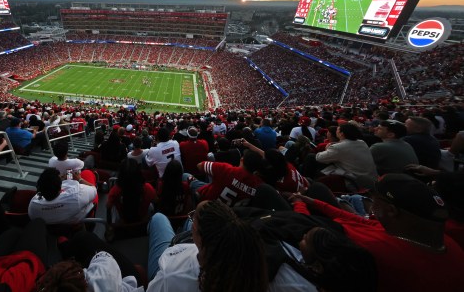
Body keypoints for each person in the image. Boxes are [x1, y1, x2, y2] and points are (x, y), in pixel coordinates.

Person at [290, 173, 464, 291]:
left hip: (322, 239)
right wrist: (314, 203)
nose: (371, 200)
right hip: (335, 228)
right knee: (319, 190)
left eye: (374, 198)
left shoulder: (369, 249)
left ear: (391, 210)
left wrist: (299, 204)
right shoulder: (440, 239)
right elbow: (363, 221)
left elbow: (307, 230)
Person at [147, 200, 269, 292]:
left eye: (193, 219)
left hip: (164, 269)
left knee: (159, 218)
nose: (192, 222)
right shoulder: (248, 271)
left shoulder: (170, 277)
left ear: (200, 239)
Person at [188, 149, 263, 206]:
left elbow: (200, 166)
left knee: (186, 176)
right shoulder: (258, 185)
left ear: (242, 159)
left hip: (206, 204)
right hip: (229, 216)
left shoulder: (227, 170)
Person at [313, 123, 377, 188]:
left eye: (337, 130)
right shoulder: (362, 142)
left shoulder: (338, 147)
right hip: (370, 178)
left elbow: (319, 158)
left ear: (341, 134)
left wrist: (327, 149)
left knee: (312, 158)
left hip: (356, 181)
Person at [28, 167, 98, 226]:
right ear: (60, 190)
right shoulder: (77, 195)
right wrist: (79, 179)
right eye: (61, 178)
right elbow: (93, 189)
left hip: (52, 230)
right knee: (87, 172)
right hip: (77, 224)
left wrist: (66, 180)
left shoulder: (33, 205)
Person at [107, 158, 157, 224]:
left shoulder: (115, 191)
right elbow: (156, 202)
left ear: (120, 174)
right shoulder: (148, 188)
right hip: (142, 224)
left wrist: (110, 226)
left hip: (123, 223)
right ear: (138, 172)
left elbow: (108, 207)